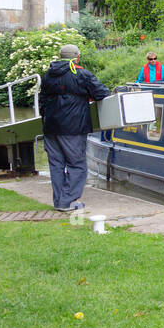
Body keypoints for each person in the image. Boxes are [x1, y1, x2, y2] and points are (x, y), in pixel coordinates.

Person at [39, 44, 111, 212]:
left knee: (56, 164)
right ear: (77, 57)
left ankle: (59, 201)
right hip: (73, 127)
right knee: (77, 165)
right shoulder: (81, 74)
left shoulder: (48, 75)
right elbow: (102, 93)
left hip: (50, 127)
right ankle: (68, 201)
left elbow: (42, 101)